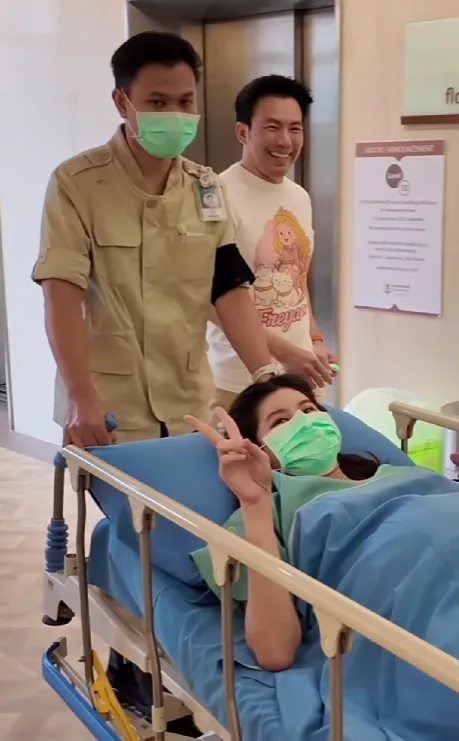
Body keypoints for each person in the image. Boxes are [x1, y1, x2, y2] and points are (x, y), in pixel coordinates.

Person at [31, 31, 276, 729]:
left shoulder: (204, 188)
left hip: (188, 398)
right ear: (123, 101)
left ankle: (154, 667)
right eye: (158, 101)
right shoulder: (77, 183)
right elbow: (62, 295)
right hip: (110, 409)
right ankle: (142, 670)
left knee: (190, 537)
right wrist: (83, 398)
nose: (176, 114)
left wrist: (265, 373)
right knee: (147, 540)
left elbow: (228, 289)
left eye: (186, 101)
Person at [186, 374, 386, 671]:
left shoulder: (397, 475)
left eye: (308, 409)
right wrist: (255, 505)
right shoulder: (269, 512)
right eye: (280, 421)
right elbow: (275, 652)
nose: (304, 422)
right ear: (259, 449)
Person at [207, 75, 338, 411]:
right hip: (239, 384)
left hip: (302, 375)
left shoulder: (299, 196)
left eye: (295, 129)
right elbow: (208, 301)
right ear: (243, 132)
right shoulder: (217, 197)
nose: (285, 141)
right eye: (272, 127)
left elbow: (298, 281)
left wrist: (314, 340)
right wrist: (284, 353)